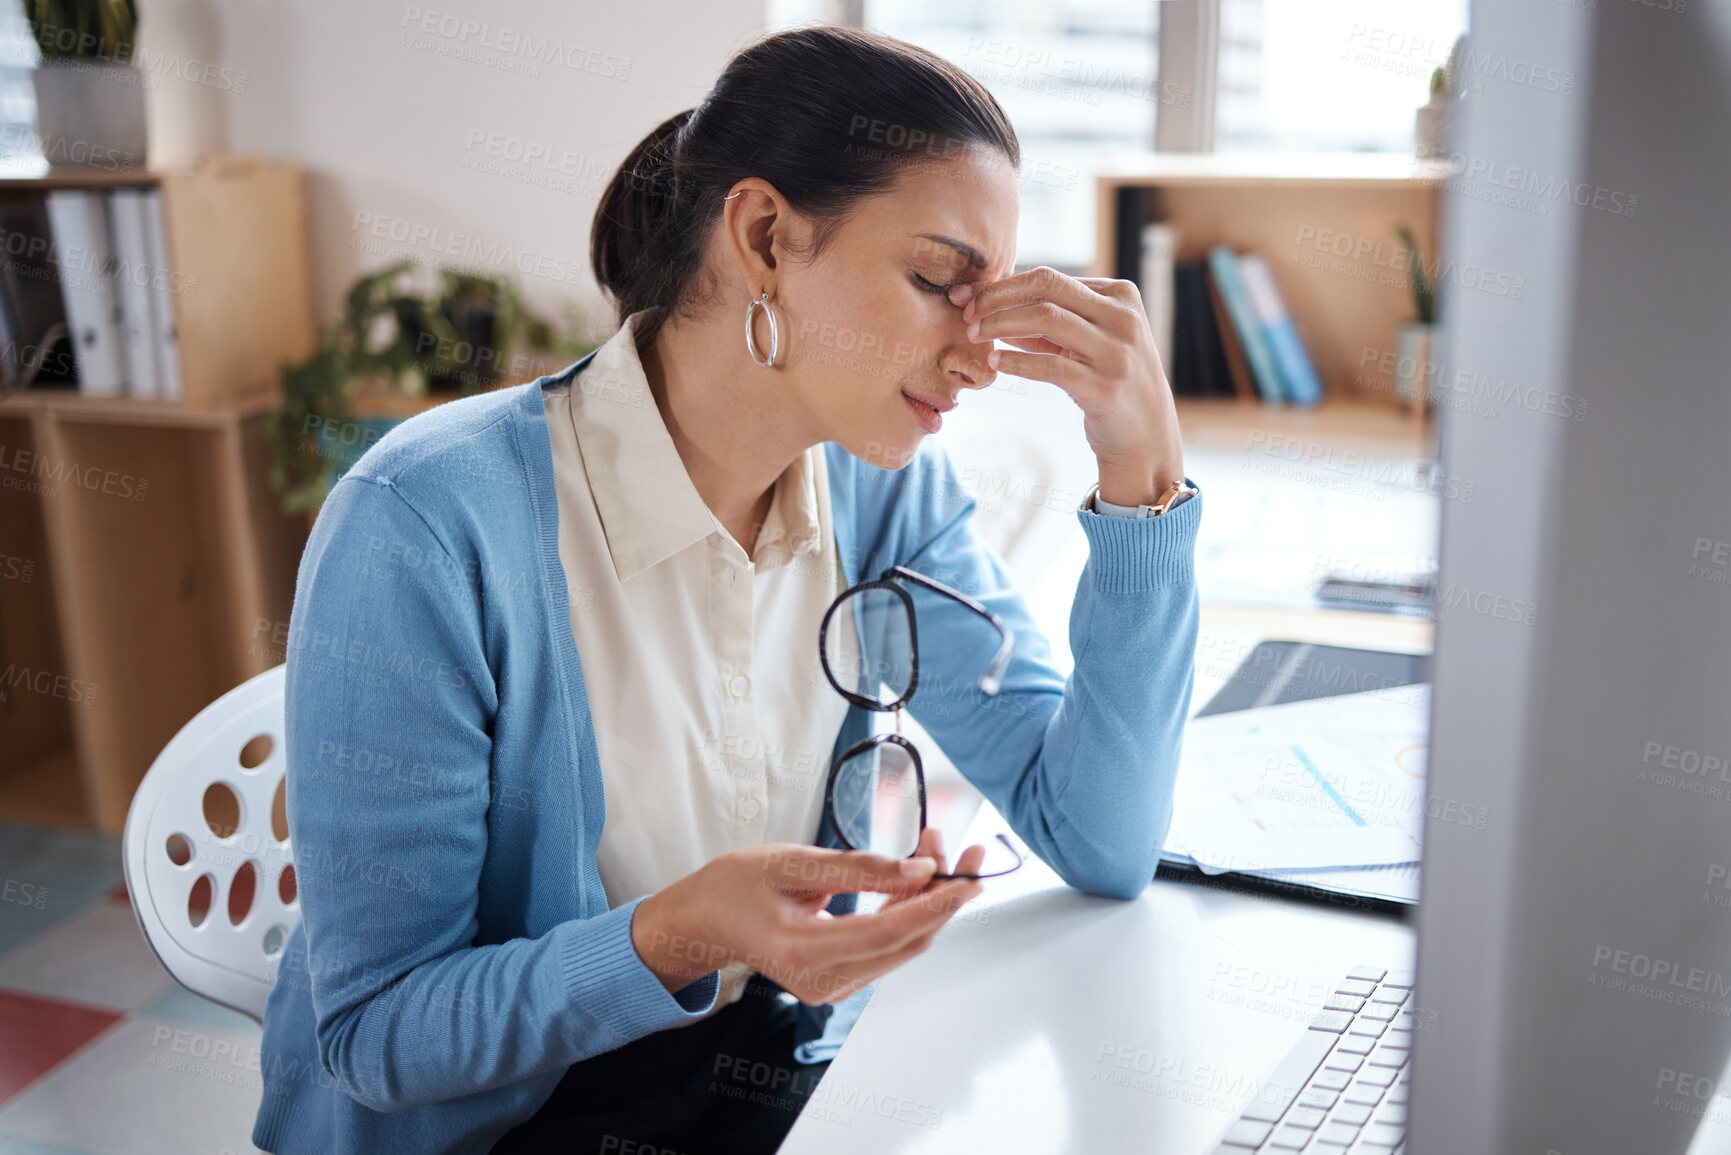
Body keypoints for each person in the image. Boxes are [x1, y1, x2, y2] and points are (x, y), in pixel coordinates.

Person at [251, 23, 1200, 1155]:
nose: (980, 354)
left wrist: (1144, 479)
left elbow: (1101, 836)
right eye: (941, 279)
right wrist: (673, 937)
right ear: (762, 237)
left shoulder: (881, 495)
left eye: (988, 295)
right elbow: (377, 1035)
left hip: (761, 1086)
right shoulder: (424, 525)